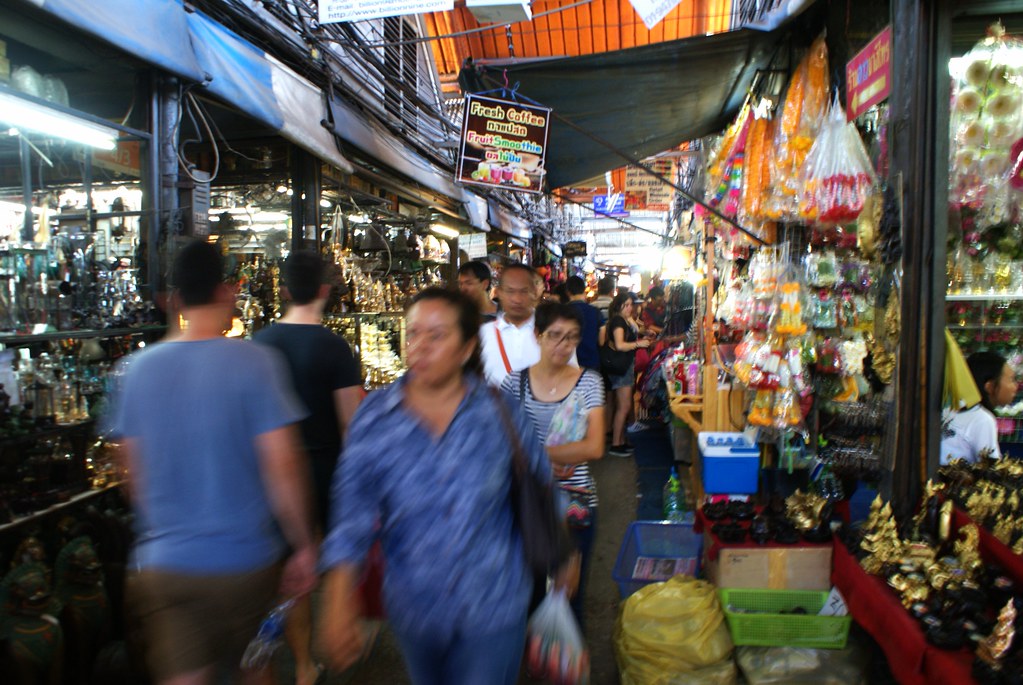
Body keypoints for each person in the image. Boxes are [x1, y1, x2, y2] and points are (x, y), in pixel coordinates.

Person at [318, 288, 574, 684]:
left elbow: (540, 481)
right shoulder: (376, 417)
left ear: (467, 347)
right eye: (412, 333)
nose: (419, 346)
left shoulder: (499, 413)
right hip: (415, 607)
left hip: (494, 603)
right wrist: (337, 600)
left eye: (436, 336)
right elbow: (351, 513)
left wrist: (564, 554)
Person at [107, 240, 317, 685]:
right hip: (246, 566)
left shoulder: (135, 371)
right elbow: (283, 466)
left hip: (166, 568)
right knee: (254, 667)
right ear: (226, 290)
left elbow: (132, 481)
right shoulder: (256, 363)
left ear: (174, 298)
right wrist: (301, 544)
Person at [253, 250, 363, 685]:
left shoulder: (259, 343)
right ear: (325, 291)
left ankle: (301, 665)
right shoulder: (336, 348)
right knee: (336, 564)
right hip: (327, 471)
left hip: (275, 474)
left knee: (290, 574)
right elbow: (351, 425)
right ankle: (340, 640)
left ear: (282, 291)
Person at [500, 302, 604, 624]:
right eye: (555, 336)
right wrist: (560, 454)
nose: (563, 346)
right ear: (537, 335)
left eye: (572, 338)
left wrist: (536, 454)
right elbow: (504, 445)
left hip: (577, 501)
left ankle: (566, 664)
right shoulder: (513, 383)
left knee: (570, 596)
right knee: (527, 594)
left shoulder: (589, 382)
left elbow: (595, 446)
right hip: (527, 502)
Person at [940, 351, 1018, 464]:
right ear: (989, 386)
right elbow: (991, 467)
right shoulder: (981, 419)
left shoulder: (952, 408)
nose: (1015, 386)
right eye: (1011, 379)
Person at [479, 263, 543, 386]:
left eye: (524, 291)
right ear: (499, 293)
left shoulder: (551, 331)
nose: (517, 299)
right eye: (510, 291)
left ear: (534, 292)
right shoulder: (483, 334)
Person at [606, 292, 650, 456]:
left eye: (631, 304)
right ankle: (616, 444)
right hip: (621, 368)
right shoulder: (618, 321)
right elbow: (619, 345)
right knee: (623, 407)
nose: (630, 308)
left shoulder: (623, 320)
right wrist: (638, 344)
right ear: (619, 306)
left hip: (625, 367)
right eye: (627, 305)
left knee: (623, 406)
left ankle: (621, 441)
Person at [565, 276, 601, 371]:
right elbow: (601, 340)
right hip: (591, 361)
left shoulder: (561, 312)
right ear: (584, 290)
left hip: (568, 362)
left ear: (568, 292)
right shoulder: (595, 311)